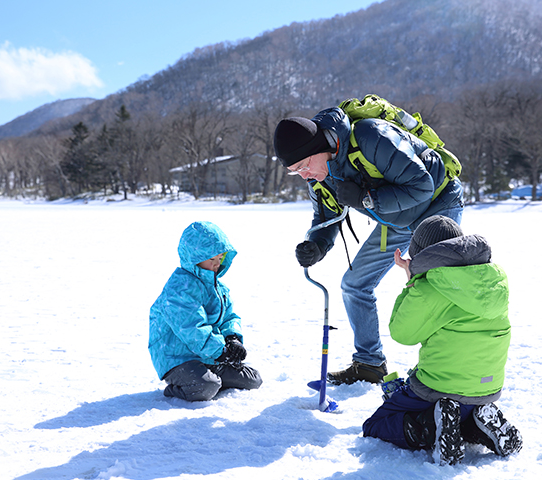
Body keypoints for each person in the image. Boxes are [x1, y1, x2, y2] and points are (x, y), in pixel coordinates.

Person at [273, 107, 464, 384]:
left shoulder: (370, 137)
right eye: (294, 172)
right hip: (395, 220)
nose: (303, 175)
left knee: (441, 286)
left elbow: (422, 184)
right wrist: (316, 245)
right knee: (354, 284)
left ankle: (451, 372)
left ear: (319, 148)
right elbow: (327, 216)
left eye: (302, 166)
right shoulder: (320, 175)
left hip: (437, 204)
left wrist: (366, 198)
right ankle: (369, 364)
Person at [362, 215, 522, 465]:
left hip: (438, 387)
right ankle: (479, 425)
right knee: (460, 410)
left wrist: (413, 280)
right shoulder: (493, 280)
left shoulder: (430, 287)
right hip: (486, 389)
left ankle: (429, 427)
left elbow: (402, 333)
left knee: (376, 425)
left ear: (421, 254)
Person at [148, 221, 262, 402]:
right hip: (177, 358)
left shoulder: (217, 286)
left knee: (253, 379)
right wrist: (220, 351)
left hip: (208, 354)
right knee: (205, 387)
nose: (217, 264)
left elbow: (229, 317)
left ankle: (211, 375)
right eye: (211, 260)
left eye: (220, 258)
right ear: (195, 258)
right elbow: (192, 328)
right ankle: (177, 388)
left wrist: (232, 338)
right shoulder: (179, 289)